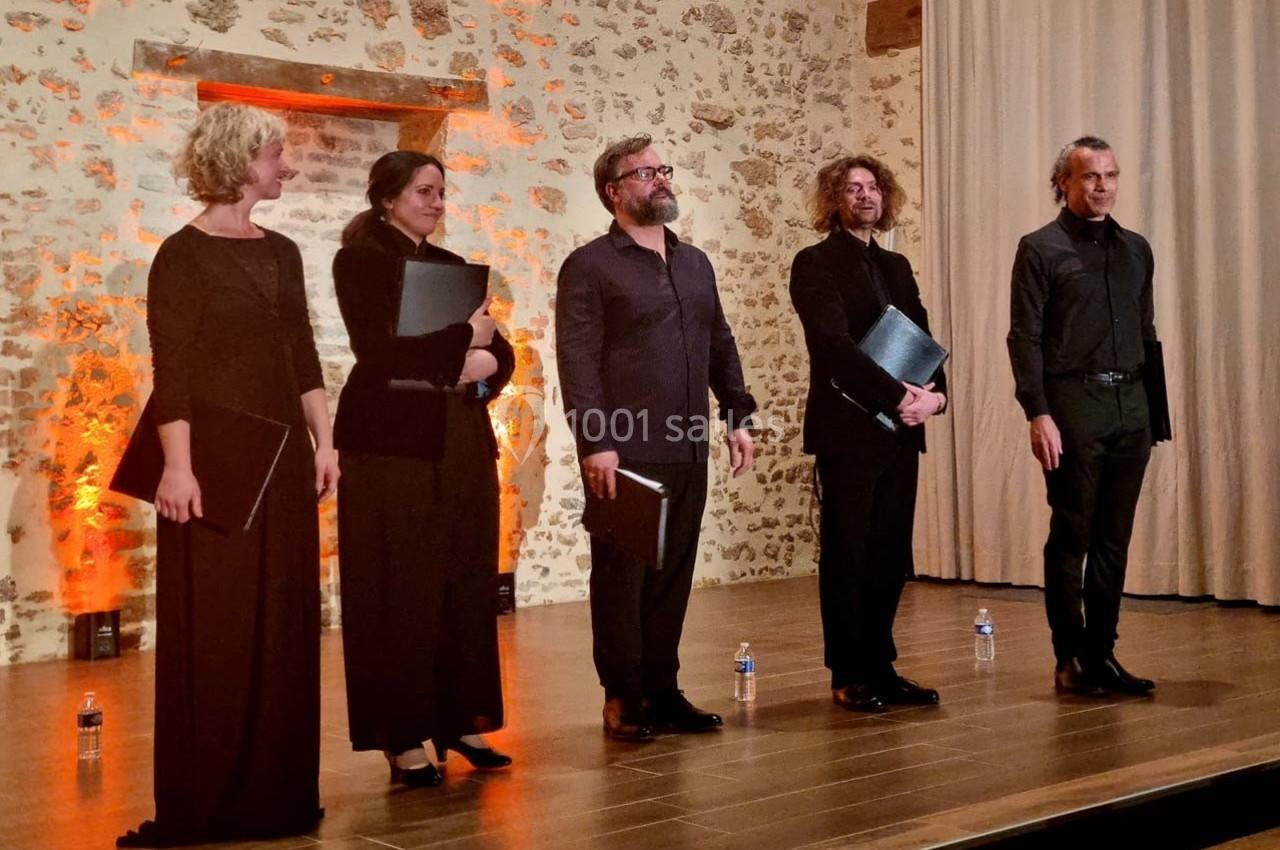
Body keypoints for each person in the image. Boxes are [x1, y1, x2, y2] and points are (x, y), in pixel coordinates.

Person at [118, 103, 339, 847]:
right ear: (243, 160)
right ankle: (208, 797)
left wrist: (326, 441)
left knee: (282, 621)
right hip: (210, 465)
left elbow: (300, 351)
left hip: (279, 463)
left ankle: (275, 794)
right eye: (277, 153)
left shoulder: (282, 252)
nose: (287, 166)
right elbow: (171, 372)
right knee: (217, 628)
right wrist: (176, 469)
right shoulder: (181, 256)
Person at [555, 134, 757, 741]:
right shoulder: (590, 265)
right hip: (627, 444)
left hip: (688, 441)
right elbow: (578, 358)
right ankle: (623, 696)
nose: (660, 179)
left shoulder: (694, 262)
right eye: (643, 173)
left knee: (672, 573)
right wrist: (594, 440)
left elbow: (718, 340)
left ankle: (663, 691)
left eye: (662, 169)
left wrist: (737, 414)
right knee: (622, 576)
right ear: (614, 192)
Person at [332, 151, 515, 786]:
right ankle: (403, 734)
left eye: (441, 192)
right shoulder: (361, 261)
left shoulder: (450, 267)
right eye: (423, 192)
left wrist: (485, 365)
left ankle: (459, 718)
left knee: (463, 585)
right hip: (390, 445)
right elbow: (378, 351)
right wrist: (463, 345)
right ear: (387, 198)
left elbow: (502, 348)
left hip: (460, 440)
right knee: (398, 592)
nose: (436, 203)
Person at [788, 154, 947, 714]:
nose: (865, 196)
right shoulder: (815, 263)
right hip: (849, 430)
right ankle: (849, 671)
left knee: (889, 553)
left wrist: (935, 397)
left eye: (874, 187)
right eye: (853, 188)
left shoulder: (898, 266)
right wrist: (900, 396)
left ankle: (882, 664)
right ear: (834, 199)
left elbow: (924, 340)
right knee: (848, 552)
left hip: (901, 432)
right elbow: (832, 347)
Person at [1007, 136, 1159, 697]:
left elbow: (1147, 334)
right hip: (1073, 406)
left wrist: (1154, 416)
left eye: (1111, 176)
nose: (1102, 186)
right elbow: (1024, 338)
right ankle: (1069, 655)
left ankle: (1103, 652)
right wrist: (1038, 412)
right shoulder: (1041, 248)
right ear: (1064, 184)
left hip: (1131, 407)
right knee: (1073, 533)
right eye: (1091, 177)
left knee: (1115, 537)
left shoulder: (1136, 249)